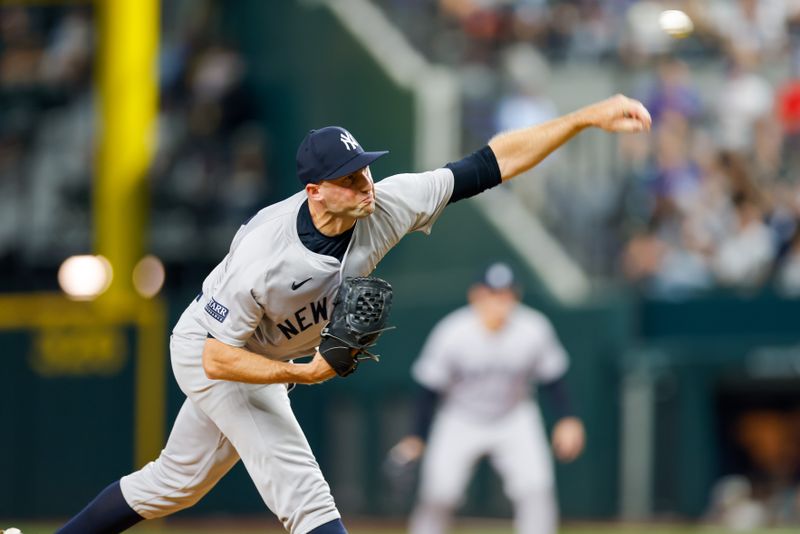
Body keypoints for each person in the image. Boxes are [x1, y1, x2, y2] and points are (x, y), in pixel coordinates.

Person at [56, 94, 651, 534]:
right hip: (212, 352)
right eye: (348, 177)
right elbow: (215, 356)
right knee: (305, 492)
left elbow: (487, 164)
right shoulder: (264, 253)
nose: (365, 182)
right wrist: (305, 373)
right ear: (316, 190)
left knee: (174, 483)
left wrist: (580, 119)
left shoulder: (386, 204)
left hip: (266, 353)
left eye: (365, 166)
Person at [389, 262, 585, 534]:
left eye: (506, 294)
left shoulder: (533, 328)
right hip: (460, 417)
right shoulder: (453, 332)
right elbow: (428, 388)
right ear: (476, 295)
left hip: (514, 416)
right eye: (491, 293)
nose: (499, 301)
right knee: (440, 493)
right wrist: (416, 437)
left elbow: (553, 378)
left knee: (535, 488)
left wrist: (567, 418)